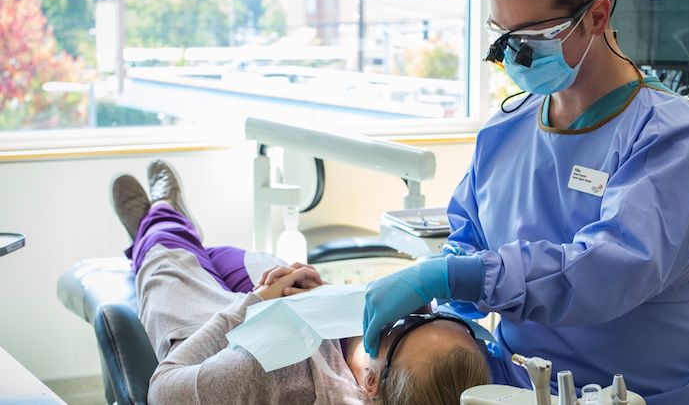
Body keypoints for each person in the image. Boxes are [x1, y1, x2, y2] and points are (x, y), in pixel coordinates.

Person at [361, 0, 689, 403]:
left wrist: (464, 276)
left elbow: (605, 271)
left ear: (597, 16)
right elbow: (469, 239)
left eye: (535, 34)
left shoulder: (672, 135)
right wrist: (450, 282)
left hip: (651, 392)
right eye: (502, 33)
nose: (514, 53)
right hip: (527, 387)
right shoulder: (506, 128)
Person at [110, 159, 490, 405]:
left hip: (226, 332)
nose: (408, 313)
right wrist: (325, 296)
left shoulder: (270, 373)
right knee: (225, 255)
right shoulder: (381, 365)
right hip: (299, 306)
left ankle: (158, 217)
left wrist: (253, 303)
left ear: (370, 384)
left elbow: (162, 388)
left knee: (168, 260)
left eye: (405, 327)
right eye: (431, 315)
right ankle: (170, 228)